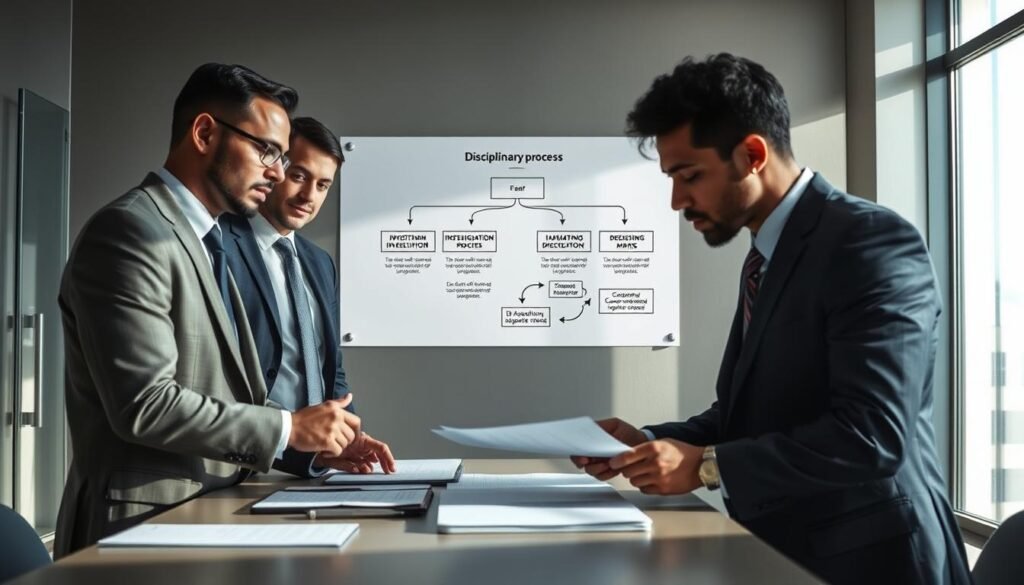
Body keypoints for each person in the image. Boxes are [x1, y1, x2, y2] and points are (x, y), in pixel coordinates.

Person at [572, 53, 971, 585]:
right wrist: (646, 442)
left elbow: (873, 434)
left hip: (877, 565)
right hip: (790, 555)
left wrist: (707, 464)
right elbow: (758, 412)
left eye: (689, 176)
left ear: (752, 154)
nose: (676, 200)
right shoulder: (768, 253)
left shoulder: (871, 242)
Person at [56, 63, 364, 556]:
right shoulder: (131, 232)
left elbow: (218, 389)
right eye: (268, 151)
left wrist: (308, 441)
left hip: (206, 515)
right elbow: (146, 404)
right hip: (139, 527)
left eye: (283, 158)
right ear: (203, 132)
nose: (278, 173)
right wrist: (288, 428)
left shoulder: (206, 239)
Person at [222, 116, 395, 477]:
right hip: (233, 463)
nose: (309, 196)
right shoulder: (220, 246)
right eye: (299, 176)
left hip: (308, 469)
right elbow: (218, 376)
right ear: (274, 168)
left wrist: (343, 437)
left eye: (323, 185)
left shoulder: (319, 263)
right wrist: (289, 439)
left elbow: (329, 365)